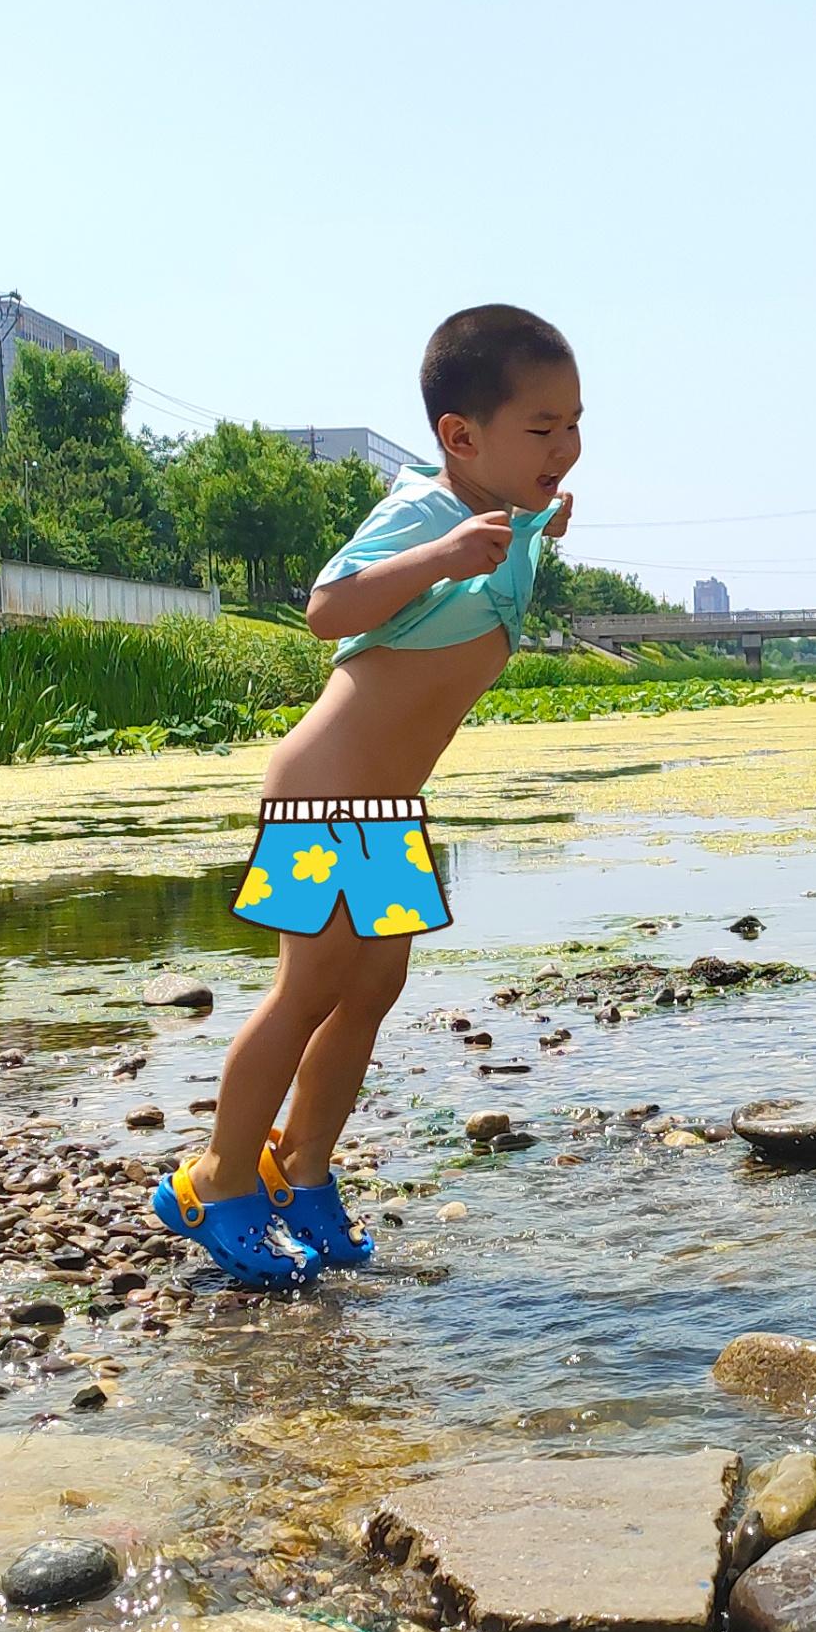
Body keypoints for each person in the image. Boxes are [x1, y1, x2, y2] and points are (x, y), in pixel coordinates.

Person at [153, 305, 581, 1284]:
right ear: (460, 437)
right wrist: (438, 554)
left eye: (573, 422)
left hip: (388, 809)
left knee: (373, 989)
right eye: (541, 426)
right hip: (321, 795)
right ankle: (215, 1182)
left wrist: (537, 525)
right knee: (306, 991)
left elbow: (489, 579)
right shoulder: (427, 514)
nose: (565, 444)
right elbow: (324, 608)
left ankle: (301, 1169)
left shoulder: (508, 526)